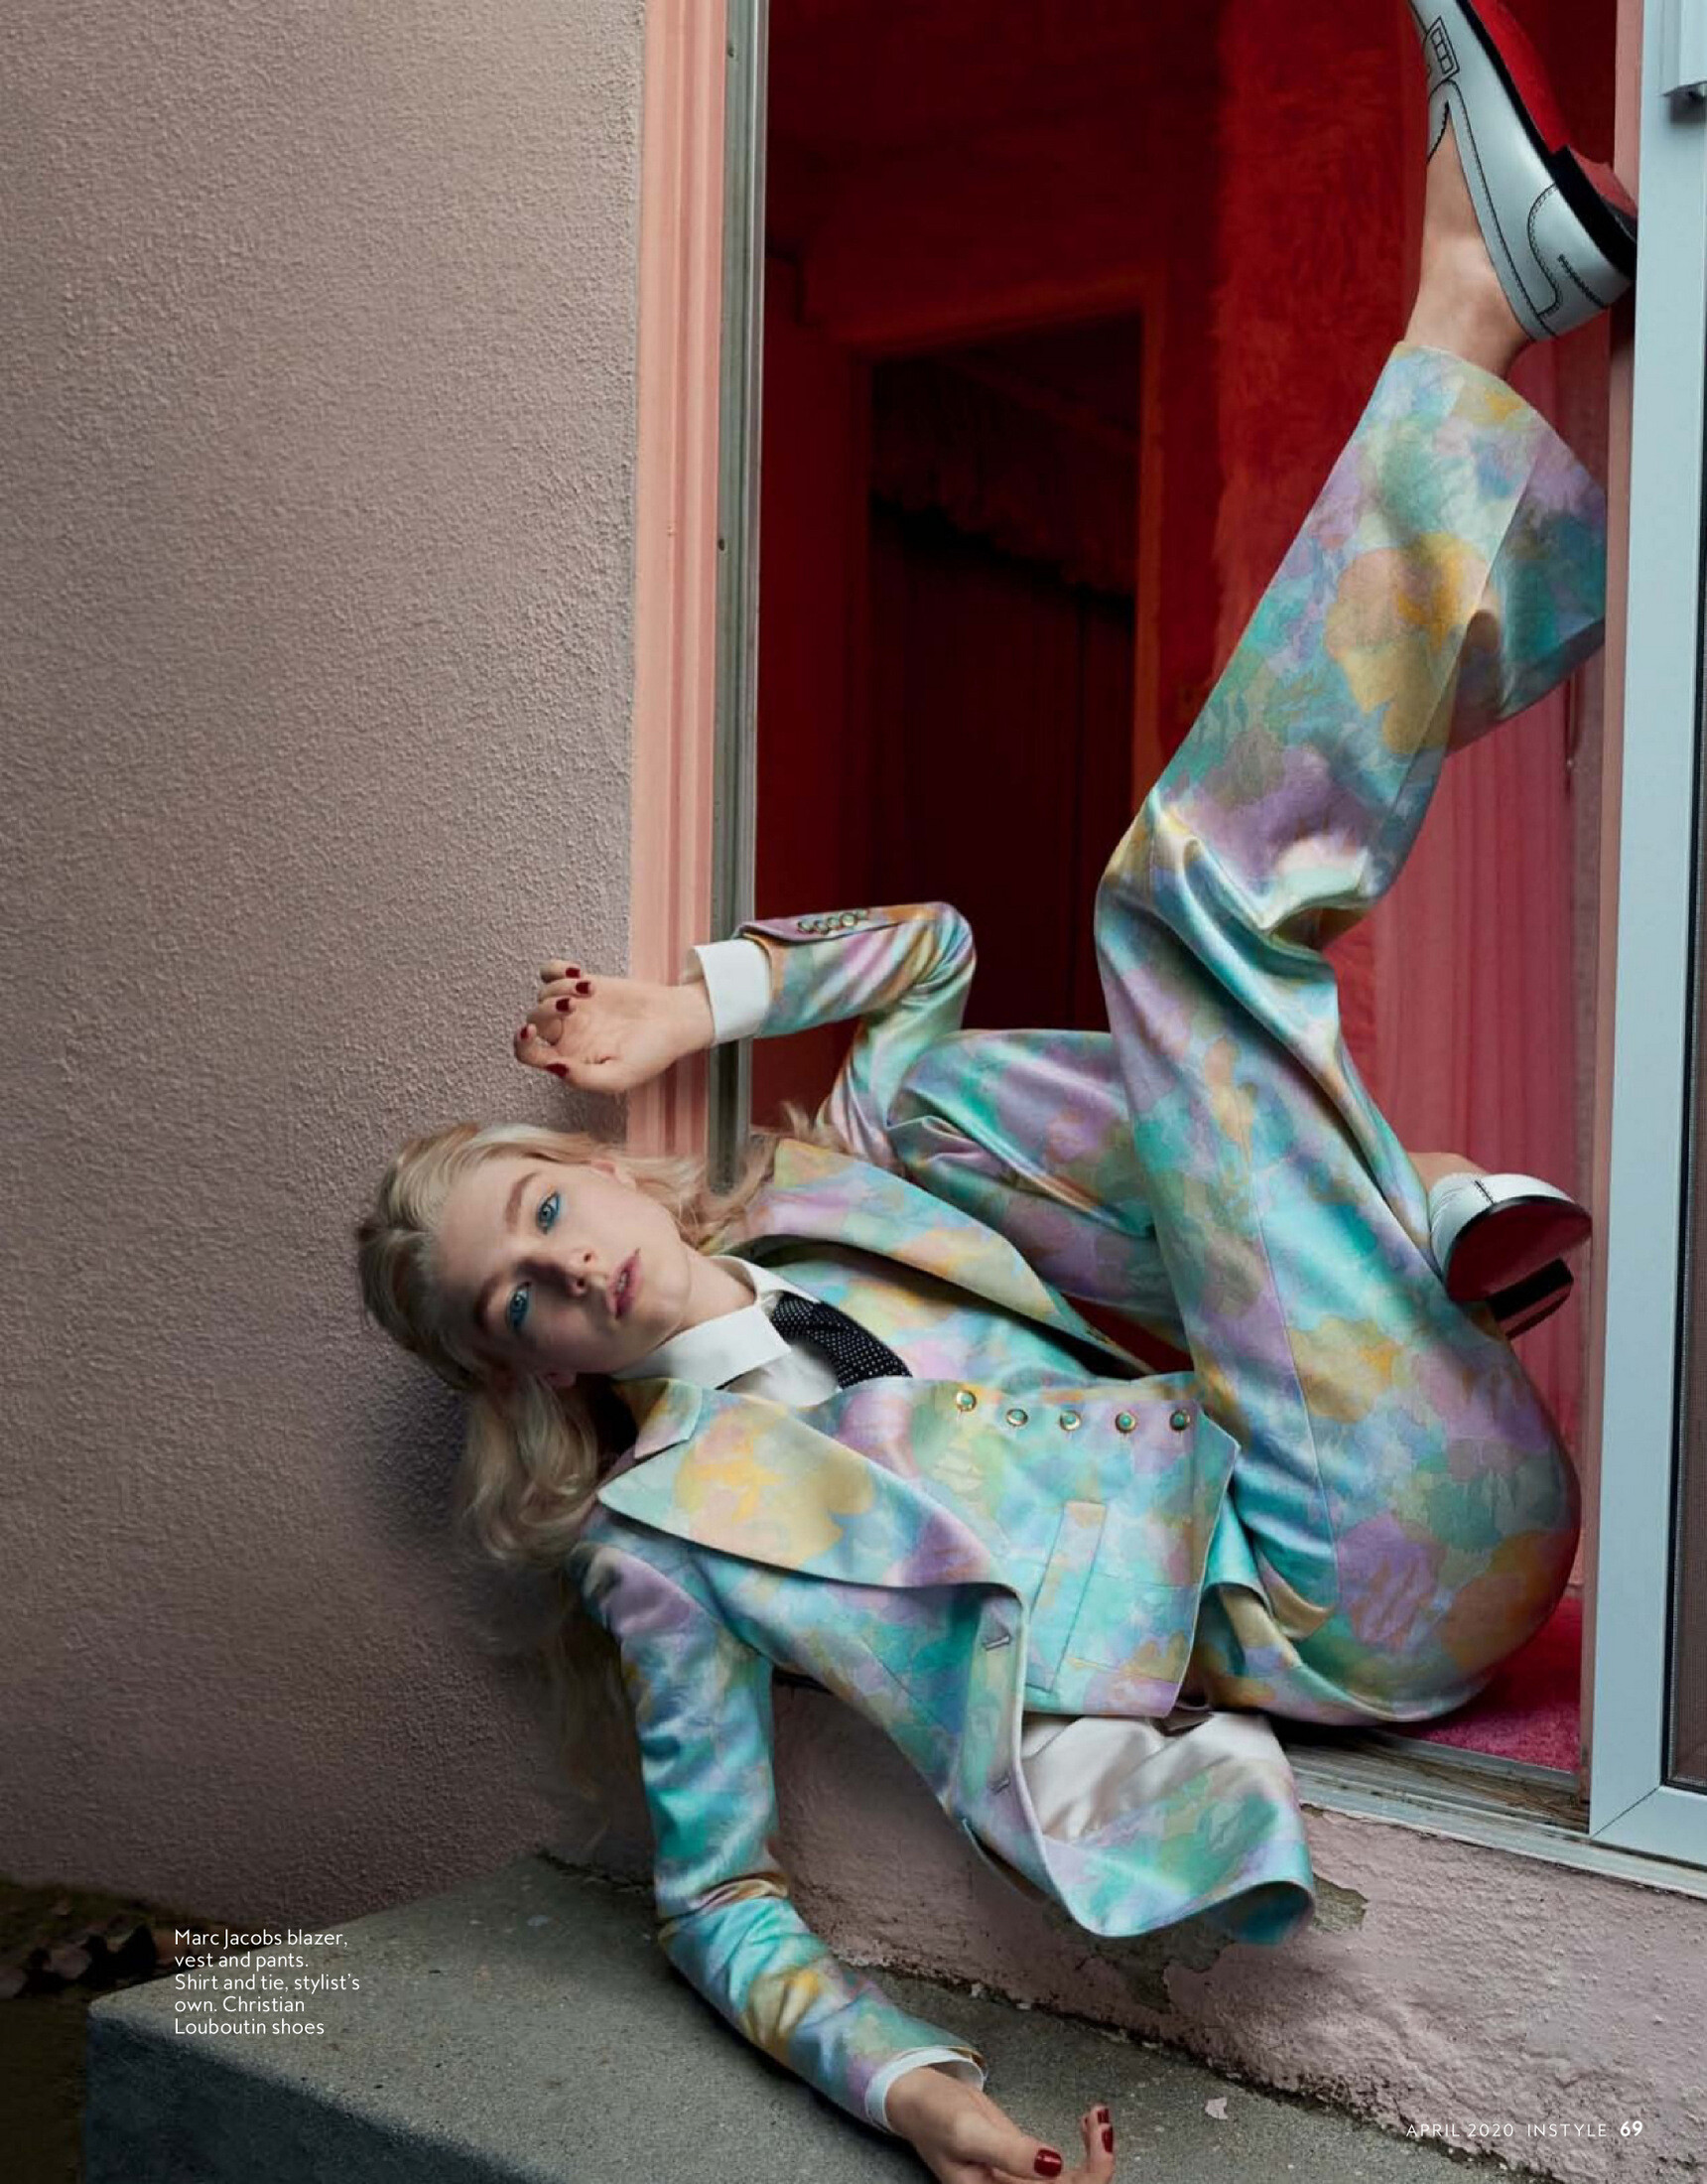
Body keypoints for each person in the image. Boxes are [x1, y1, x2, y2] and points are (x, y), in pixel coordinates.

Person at [353, 5, 1635, 2179]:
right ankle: (1469, 333)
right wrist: (922, 2093)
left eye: (547, 1214)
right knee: (1177, 913)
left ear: (599, 1180)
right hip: (1331, 1595)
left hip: (1370, 1428)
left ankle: (1392, 1174)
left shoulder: (838, 1186)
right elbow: (720, 1899)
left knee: (981, 1071)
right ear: (526, 1374)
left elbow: (931, 950)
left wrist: (691, 1003)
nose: (569, 1275)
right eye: (518, 1303)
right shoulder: (668, 1540)